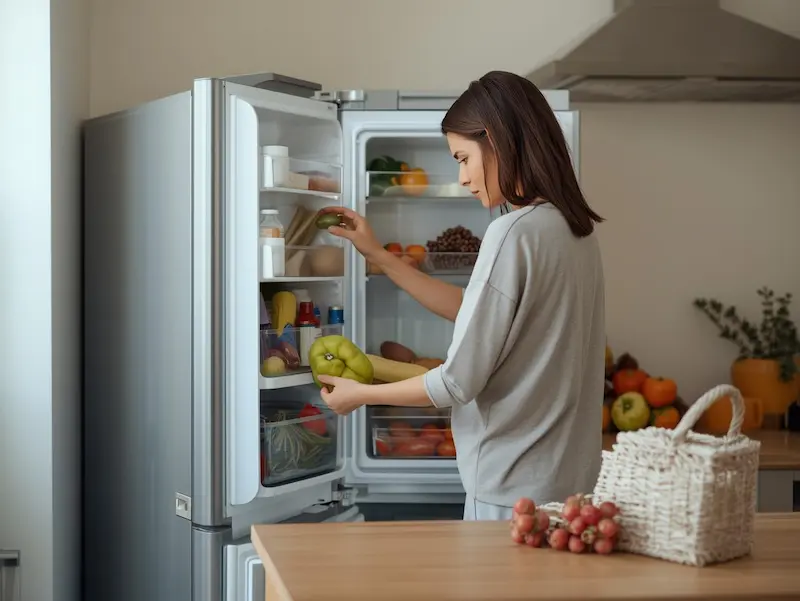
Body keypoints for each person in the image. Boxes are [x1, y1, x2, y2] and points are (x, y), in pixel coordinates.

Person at [316, 70, 606, 521]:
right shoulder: (574, 231)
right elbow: (477, 314)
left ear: (496, 140)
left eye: (463, 157)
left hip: (509, 492)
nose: (463, 177)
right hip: (571, 488)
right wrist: (380, 255)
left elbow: (456, 382)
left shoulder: (510, 232)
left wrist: (360, 395)